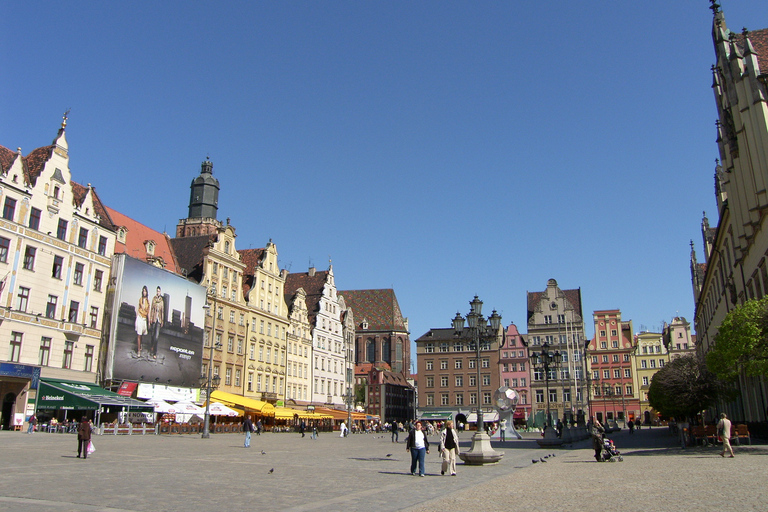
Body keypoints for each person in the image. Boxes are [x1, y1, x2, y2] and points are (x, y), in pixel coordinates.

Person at [148, 286, 164, 359]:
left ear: (160, 292)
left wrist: (162, 321)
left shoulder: (162, 301)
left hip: (159, 320)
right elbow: (151, 309)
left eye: (159, 291)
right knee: (152, 334)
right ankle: (151, 345)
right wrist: (150, 318)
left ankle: (155, 352)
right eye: (157, 291)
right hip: (154, 319)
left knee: (156, 336)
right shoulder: (154, 299)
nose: (158, 292)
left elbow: (162, 312)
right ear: (156, 291)